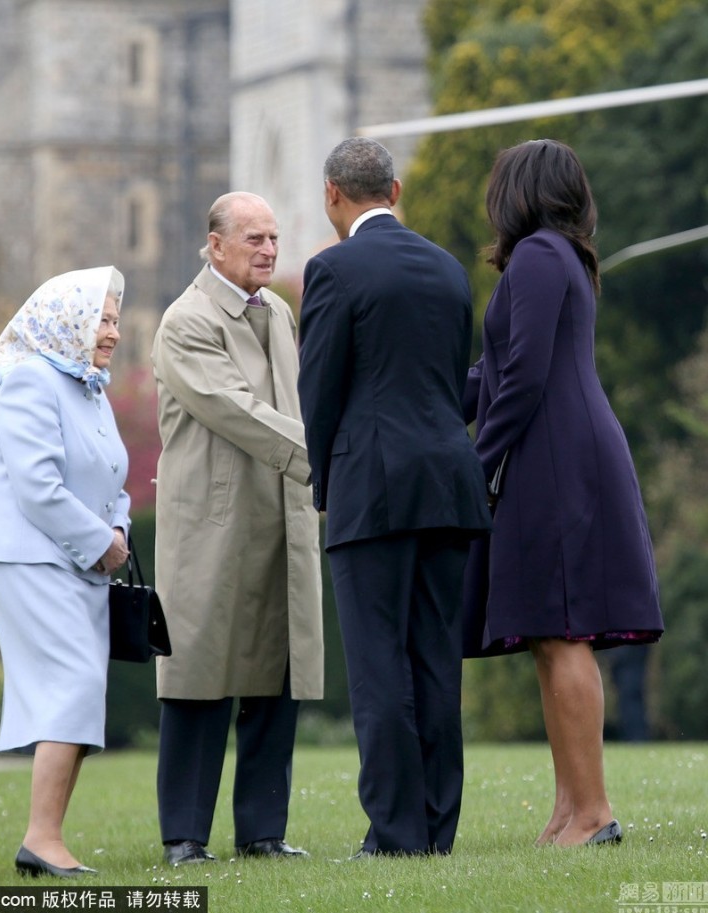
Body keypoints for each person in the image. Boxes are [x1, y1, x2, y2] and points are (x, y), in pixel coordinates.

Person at [463, 139, 664, 847]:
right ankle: (567, 810)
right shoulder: (552, 257)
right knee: (549, 634)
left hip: (559, 458)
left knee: (566, 627)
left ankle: (594, 811)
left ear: (517, 190)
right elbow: (493, 373)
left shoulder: (543, 256)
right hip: (553, 452)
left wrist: (475, 464)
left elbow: (522, 377)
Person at [297, 137, 492, 857]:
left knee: (379, 667)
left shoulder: (332, 270)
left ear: (332, 195)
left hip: (370, 487)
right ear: (396, 190)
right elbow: (450, 379)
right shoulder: (447, 268)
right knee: (436, 661)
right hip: (448, 482)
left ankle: (393, 832)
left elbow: (318, 392)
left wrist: (325, 481)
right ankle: (437, 829)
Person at [151, 191, 323, 866]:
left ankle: (263, 832)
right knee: (198, 678)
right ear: (214, 245)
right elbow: (235, 409)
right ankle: (184, 836)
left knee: (276, 676)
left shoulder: (278, 311)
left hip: (282, 516)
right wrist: (326, 456)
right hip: (213, 528)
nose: (268, 249)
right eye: (253, 238)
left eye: (274, 238)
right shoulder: (184, 321)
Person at [0, 266, 131, 877]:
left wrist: (118, 530)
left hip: (78, 560)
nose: (112, 332)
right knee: (72, 685)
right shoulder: (30, 380)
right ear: (68, 319)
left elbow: (112, 477)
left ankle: (46, 839)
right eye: (101, 319)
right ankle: (41, 840)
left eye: (115, 319)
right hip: (31, 558)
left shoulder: (88, 385)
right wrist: (99, 542)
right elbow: (38, 487)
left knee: (81, 690)